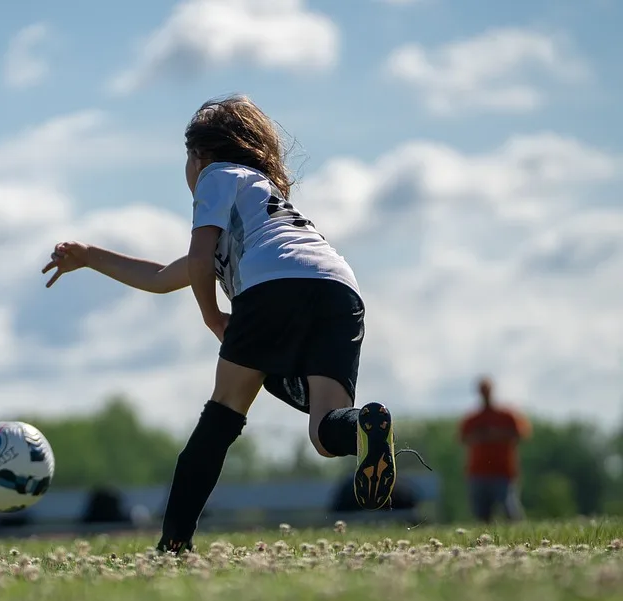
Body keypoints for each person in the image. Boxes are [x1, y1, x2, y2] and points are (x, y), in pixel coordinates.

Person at [41, 95, 426, 553]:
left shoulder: (215, 174)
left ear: (198, 155)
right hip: (339, 287)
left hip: (273, 284)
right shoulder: (261, 204)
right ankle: (364, 424)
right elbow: (166, 275)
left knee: (221, 418)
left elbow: (201, 259)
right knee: (325, 433)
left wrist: (212, 316)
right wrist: (90, 257)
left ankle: (173, 546)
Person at [459, 376, 531, 523]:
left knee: (510, 511)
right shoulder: (472, 418)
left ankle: (520, 539)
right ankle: (485, 544)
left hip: (503, 472)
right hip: (478, 472)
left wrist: (496, 434)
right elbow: (462, 438)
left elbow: (522, 434)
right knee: (481, 515)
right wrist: (480, 436)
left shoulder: (507, 416)